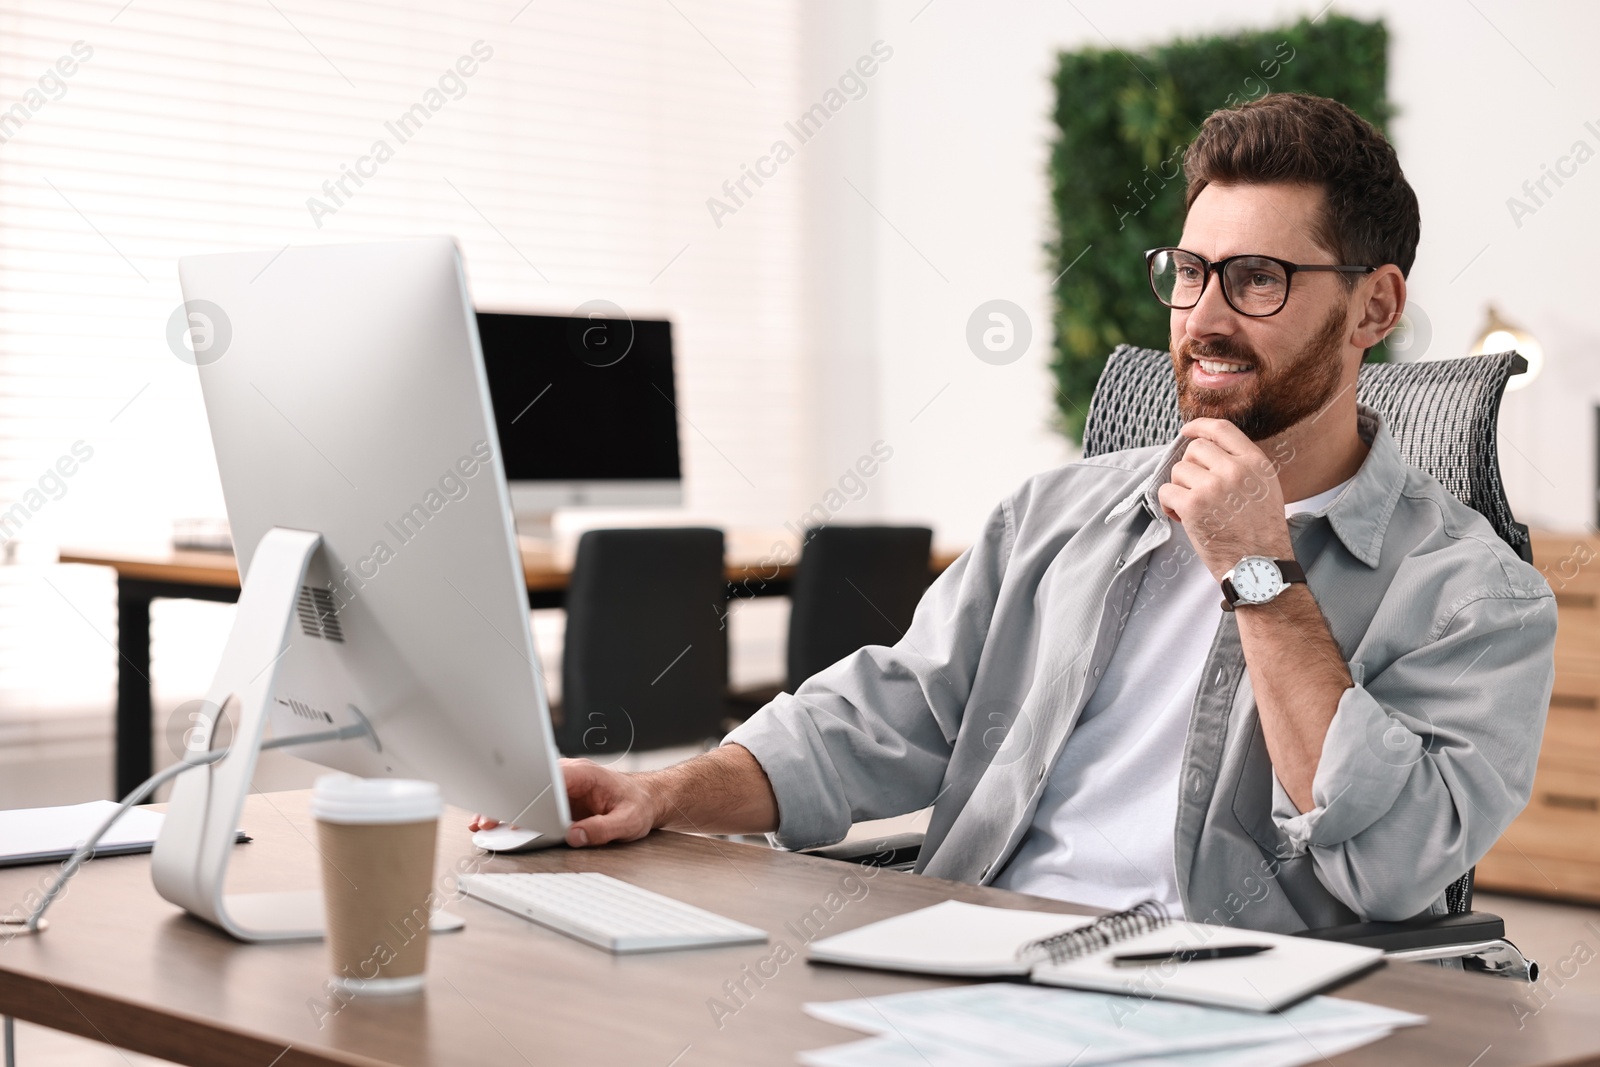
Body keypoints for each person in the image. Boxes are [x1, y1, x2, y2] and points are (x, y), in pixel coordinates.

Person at [475, 93, 1556, 932]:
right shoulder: (1057, 513)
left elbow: (1398, 859)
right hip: (973, 957)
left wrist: (1259, 571)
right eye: (1189, 272)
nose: (1206, 316)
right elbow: (888, 714)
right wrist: (662, 790)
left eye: (1258, 278)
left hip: (1233, 1006)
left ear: (1374, 303)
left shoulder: (1476, 595)